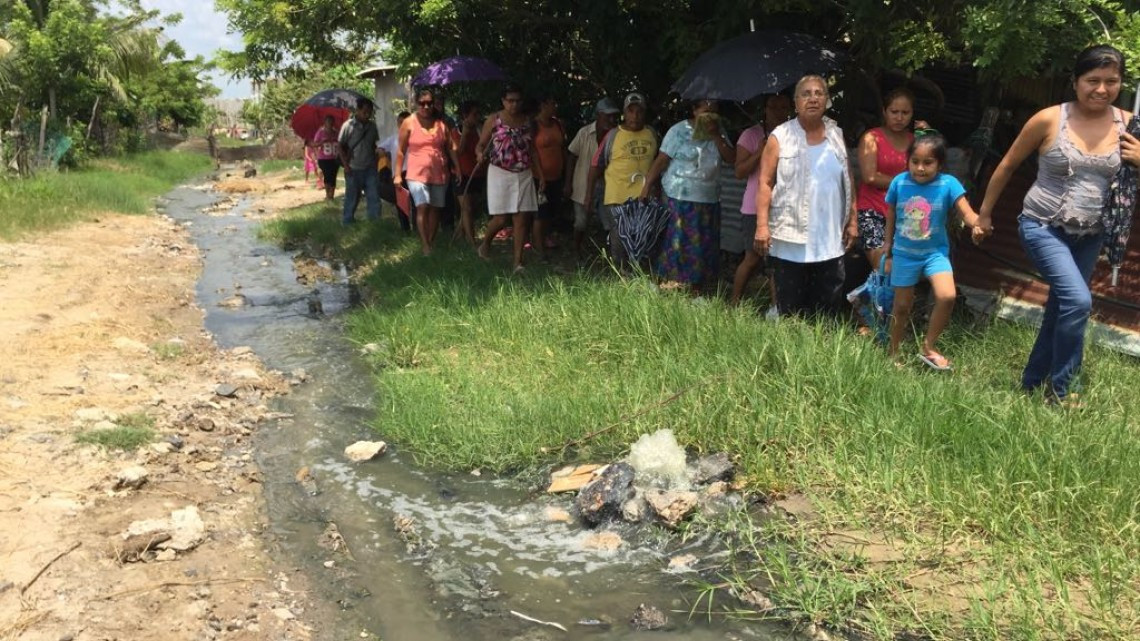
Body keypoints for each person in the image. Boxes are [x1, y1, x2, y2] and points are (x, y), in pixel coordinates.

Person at [978, 44, 1140, 403]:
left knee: (1061, 307)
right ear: (1075, 81)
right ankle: (1063, 390)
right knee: (1079, 302)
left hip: (1091, 235)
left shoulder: (1131, 125)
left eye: (1111, 81)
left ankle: (1031, 383)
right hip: (1042, 225)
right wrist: (985, 213)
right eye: (1092, 80)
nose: (1101, 89)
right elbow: (1006, 165)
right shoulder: (1050, 119)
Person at [754, 75, 858, 317]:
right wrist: (761, 226)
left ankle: (820, 351)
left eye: (819, 93)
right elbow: (765, 182)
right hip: (790, 238)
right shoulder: (780, 136)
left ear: (827, 100)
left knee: (827, 306)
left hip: (830, 239)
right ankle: (788, 351)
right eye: (806, 94)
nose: (813, 98)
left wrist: (852, 221)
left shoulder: (836, 134)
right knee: (790, 307)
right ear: (796, 102)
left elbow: (848, 179)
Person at [884, 132, 989, 369]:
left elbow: (967, 212)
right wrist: (887, 243)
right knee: (901, 307)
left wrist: (978, 224)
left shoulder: (948, 184)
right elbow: (890, 212)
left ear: (940, 164)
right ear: (908, 160)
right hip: (904, 254)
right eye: (915, 162)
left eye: (928, 163)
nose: (920, 168)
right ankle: (893, 353)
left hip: (935, 254)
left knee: (947, 296)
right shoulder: (899, 182)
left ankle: (929, 346)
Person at [642, 98, 736, 290]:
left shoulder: (719, 132)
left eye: (714, 111)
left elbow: (731, 158)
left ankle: (697, 286)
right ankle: (664, 280)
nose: (710, 114)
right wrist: (646, 187)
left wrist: (717, 135)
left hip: (709, 197)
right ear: (694, 110)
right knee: (676, 240)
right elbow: (661, 161)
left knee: (703, 243)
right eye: (705, 109)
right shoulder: (678, 131)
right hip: (680, 196)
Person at [731, 94, 793, 306]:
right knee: (752, 258)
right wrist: (760, 151)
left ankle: (777, 308)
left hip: (784, 206)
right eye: (773, 106)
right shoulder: (751, 135)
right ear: (765, 109)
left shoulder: (795, 135)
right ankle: (733, 302)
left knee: (778, 260)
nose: (778, 111)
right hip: (754, 206)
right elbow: (739, 171)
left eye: (783, 106)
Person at [856, 89, 928, 271]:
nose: (899, 117)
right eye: (894, 112)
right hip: (873, 210)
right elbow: (870, 176)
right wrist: (908, 183)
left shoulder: (915, 142)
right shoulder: (872, 138)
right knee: (884, 267)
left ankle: (876, 298)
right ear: (884, 112)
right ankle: (877, 298)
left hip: (906, 213)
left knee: (906, 269)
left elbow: (928, 173)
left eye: (905, 113)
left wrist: (929, 138)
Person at [476, 84, 544, 273]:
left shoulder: (527, 121)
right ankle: (485, 244)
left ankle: (517, 262)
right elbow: (480, 145)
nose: (514, 105)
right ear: (503, 101)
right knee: (501, 218)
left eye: (517, 101)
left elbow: (532, 150)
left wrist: (541, 174)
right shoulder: (494, 120)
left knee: (522, 218)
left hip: (523, 172)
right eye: (510, 101)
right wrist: (480, 154)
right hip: (500, 171)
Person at [586, 92, 658, 267]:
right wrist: (588, 195)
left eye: (639, 111)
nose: (635, 115)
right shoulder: (612, 135)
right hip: (617, 196)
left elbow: (659, 162)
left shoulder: (652, 134)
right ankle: (621, 273)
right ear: (624, 113)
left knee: (642, 235)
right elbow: (596, 166)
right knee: (619, 236)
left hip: (644, 196)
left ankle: (637, 273)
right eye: (631, 111)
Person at [396, 88, 462, 256]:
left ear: (434, 105)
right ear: (416, 104)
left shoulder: (441, 125)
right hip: (416, 174)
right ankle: (425, 245)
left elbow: (451, 148)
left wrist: (457, 168)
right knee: (422, 206)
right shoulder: (409, 122)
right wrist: (397, 174)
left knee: (435, 209)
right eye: (422, 103)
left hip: (440, 173)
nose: (426, 107)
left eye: (429, 103)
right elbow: (401, 150)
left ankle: (430, 242)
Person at [565, 98, 619, 256]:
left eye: (614, 116)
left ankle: (612, 254)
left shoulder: (618, 135)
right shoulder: (584, 132)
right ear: (598, 115)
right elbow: (571, 156)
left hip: (608, 185)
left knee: (609, 223)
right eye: (607, 116)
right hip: (582, 183)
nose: (611, 119)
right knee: (581, 222)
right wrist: (568, 183)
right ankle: (576, 249)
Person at [338, 98, 381, 225]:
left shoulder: (372, 127)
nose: (367, 114)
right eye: (364, 111)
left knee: (373, 196)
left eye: (369, 112)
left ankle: (375, 223)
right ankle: (347, 222)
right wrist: (345, 165)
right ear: (358, 110)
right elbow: (340, 145)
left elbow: (374, 144)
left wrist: (377, 160)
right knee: (352, 197)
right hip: (353, 168)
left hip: (370, 168)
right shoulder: (348, 126)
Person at [533, 94, 567, 258]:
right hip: (539, 178)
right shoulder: (533, 125)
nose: (555, 106)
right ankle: (539, 249)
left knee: (552, 211)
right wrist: (540, 176)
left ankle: (545, 239)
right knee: (541, 212)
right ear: (543, 104)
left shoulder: (558, 124)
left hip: (556, 176)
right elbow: (531, 152)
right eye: (552, 103)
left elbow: (563, 149)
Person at [455, 100, 486, 246]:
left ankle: (461, 233)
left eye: (477, 114)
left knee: (471, 208)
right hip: (462, 174)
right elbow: (459, 152)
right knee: (466, 208)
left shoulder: (480, 130)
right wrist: (465, 135)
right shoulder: (456, 131)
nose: (477, 117)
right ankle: (471, 241)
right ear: (464, 116)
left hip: (477, 173)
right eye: (474, 114)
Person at [379, 111, 412, 231]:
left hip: (414, 174)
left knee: (416, 203)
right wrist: (382, 152)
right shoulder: (393, 139)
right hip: (398, 175)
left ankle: (418, 229)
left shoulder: (416, 139)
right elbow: (380, 149)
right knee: (402, 204)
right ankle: (405, 229)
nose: (403, 125)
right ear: (397, 123)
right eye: (400, 122)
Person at [313, 115, 340, 201]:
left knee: (333, 176)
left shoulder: (337, 133)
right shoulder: (320, 133)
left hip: (335, 158)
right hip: (323, 159)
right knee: (327, 176)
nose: (330, 123)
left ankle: (331, 195)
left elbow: (341, 143)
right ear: (324, 123)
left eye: (331, 121)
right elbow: (314, 144)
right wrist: (322, 142)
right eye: (328, 121)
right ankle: (328, 194)